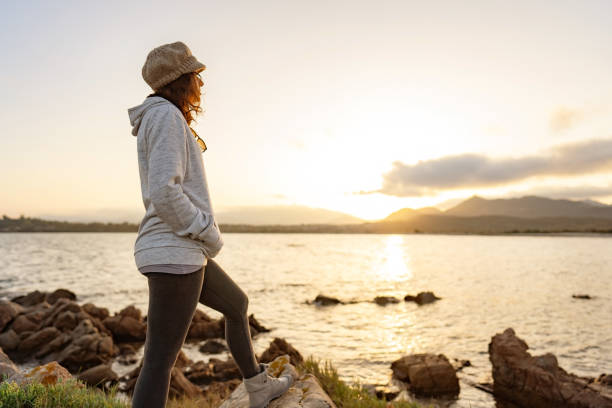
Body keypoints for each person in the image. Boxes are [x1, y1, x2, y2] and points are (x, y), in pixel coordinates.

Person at [127, 41, 294, 408]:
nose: (201, 84)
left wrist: (201, 238)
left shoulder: (161, 117)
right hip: (176, 251)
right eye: (196, 76)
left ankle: (257, 385)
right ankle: (257, 385)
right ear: (181, 81)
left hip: (181, 249)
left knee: (237, 304)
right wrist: (207, 231)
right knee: (158, 364)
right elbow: (164, 192)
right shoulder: (166, 117)